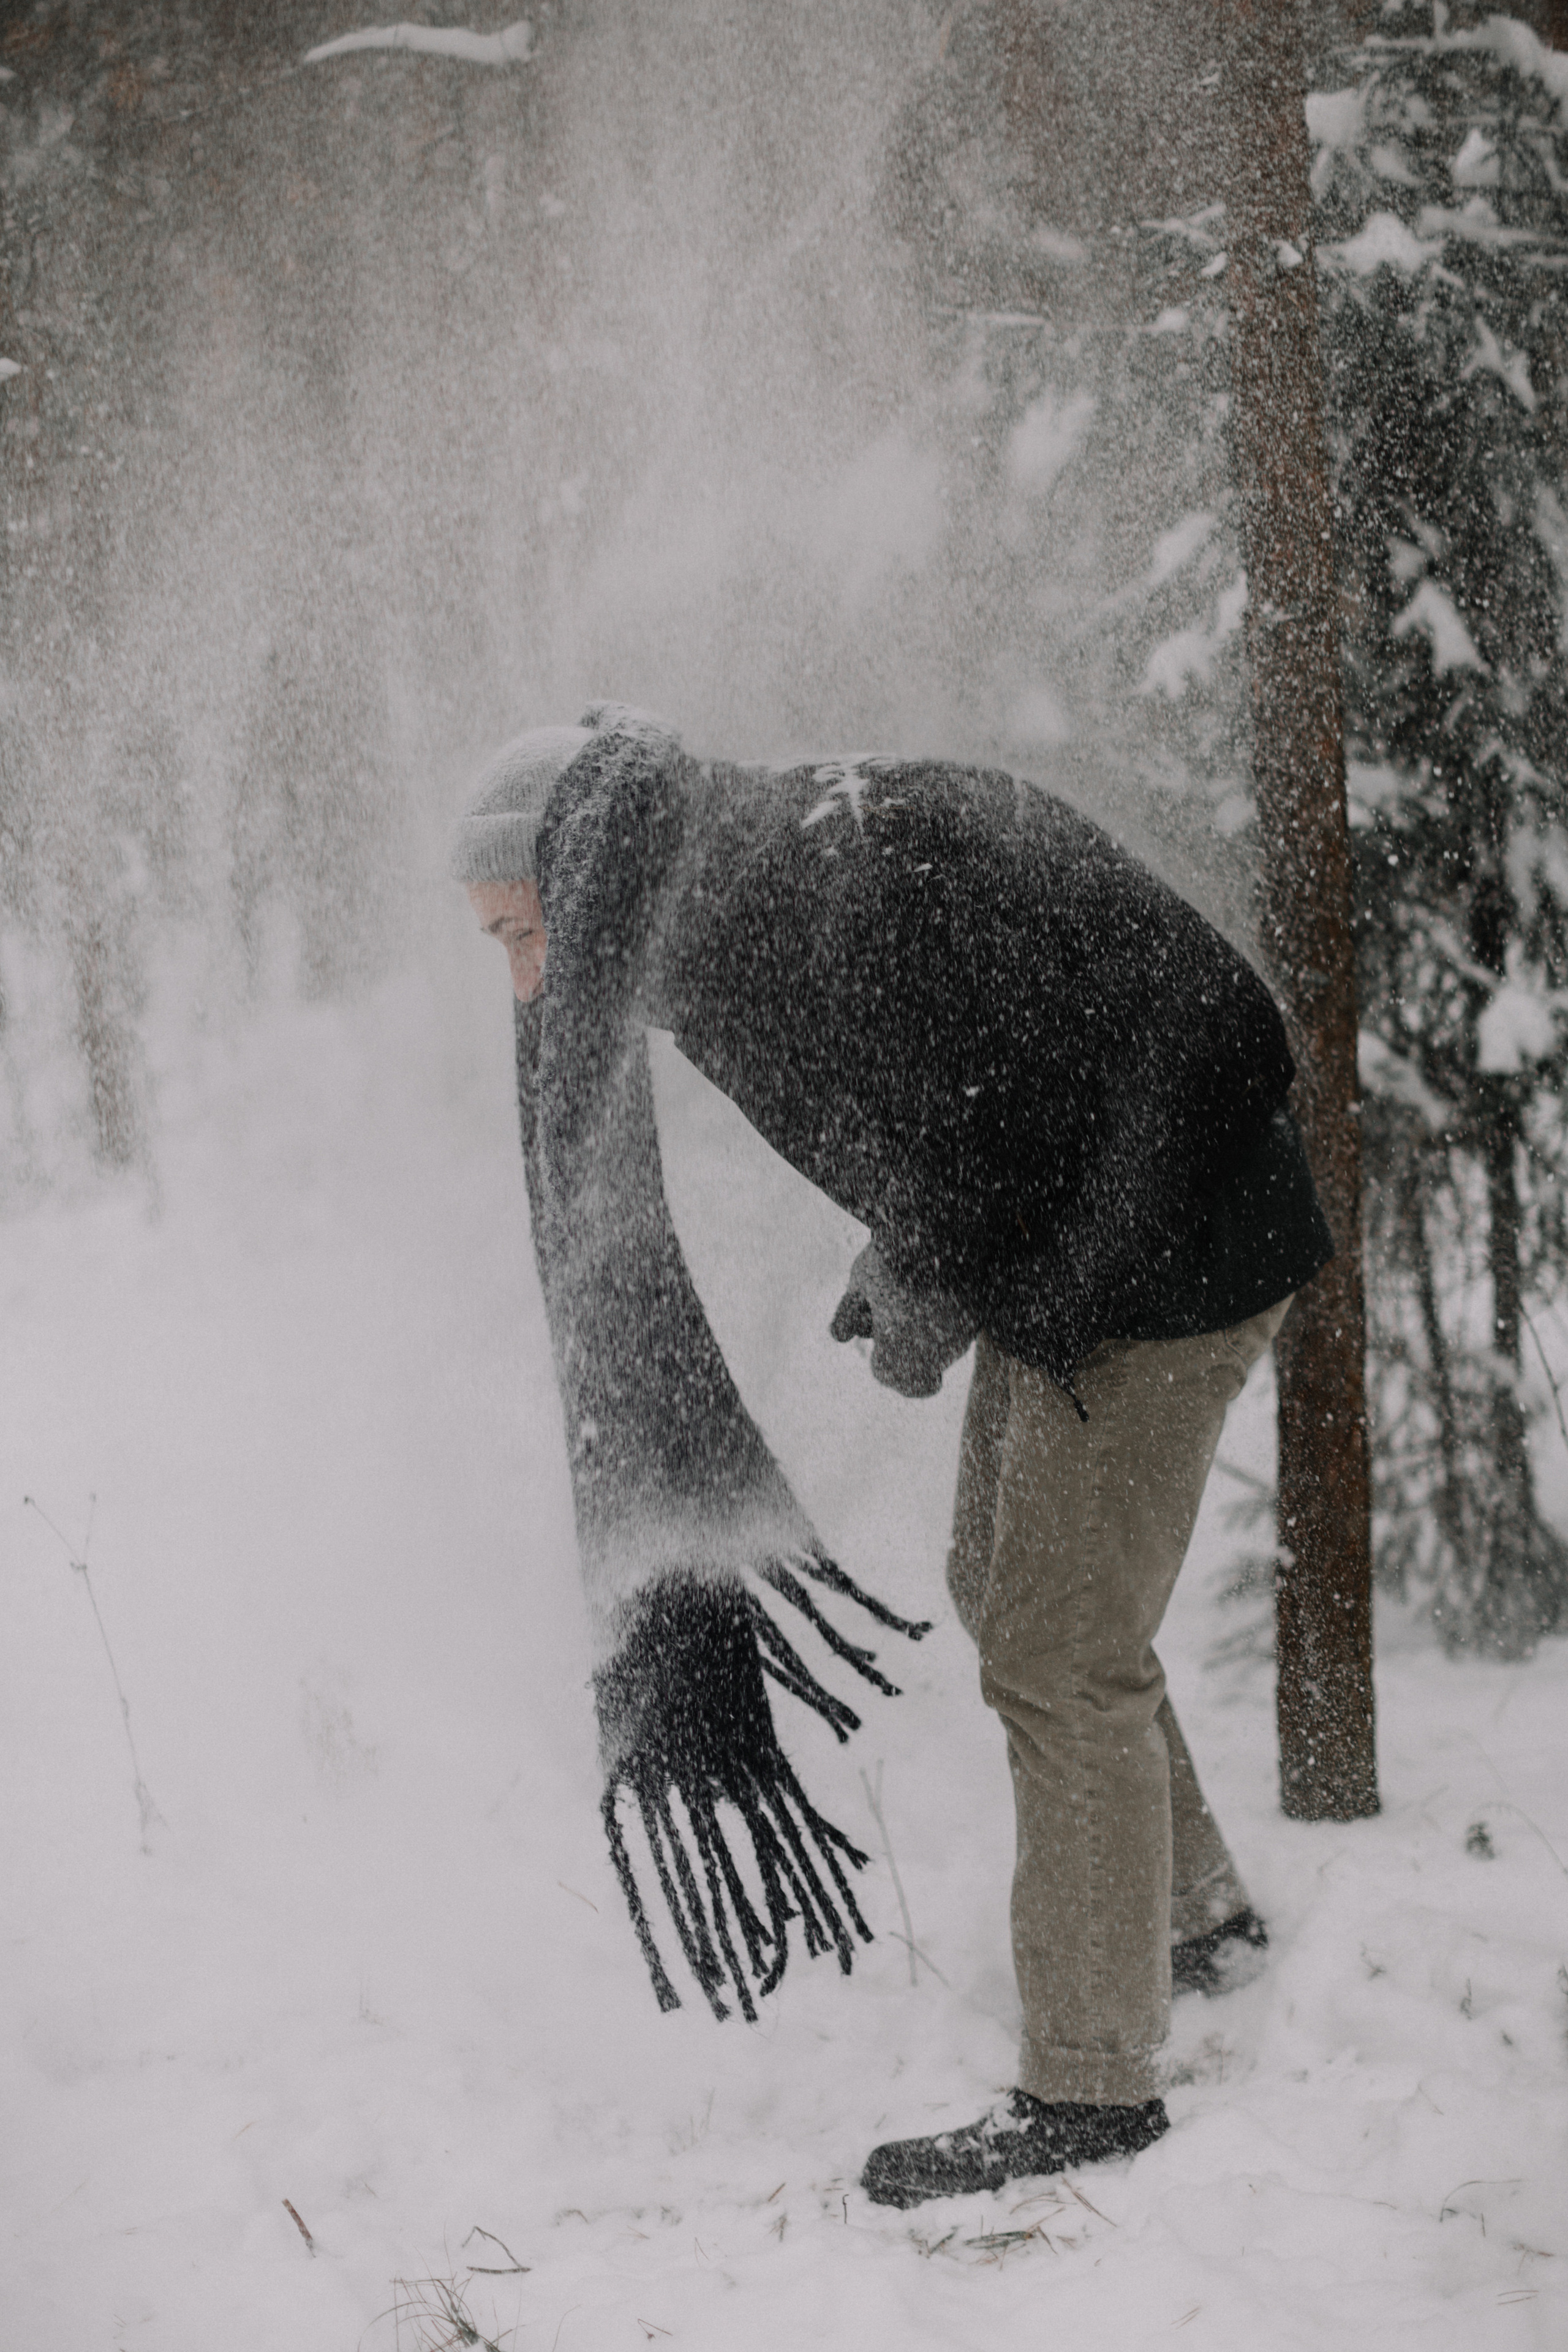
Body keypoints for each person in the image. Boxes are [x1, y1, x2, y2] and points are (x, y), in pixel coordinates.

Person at [452, 703, 1332, 2209]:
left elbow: (1124, 1057)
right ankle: (1191, 1921)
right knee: (1005, 1590)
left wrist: (949, 1270)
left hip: (1173, 1250)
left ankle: (1092, 2086)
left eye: (524, 934)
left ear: (588, 880)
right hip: (1092, 1241)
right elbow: (969, 1092)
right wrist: (917, 1255)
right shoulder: (732, 898)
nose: (529, 984)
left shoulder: (804, 901)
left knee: (1057, 1651)